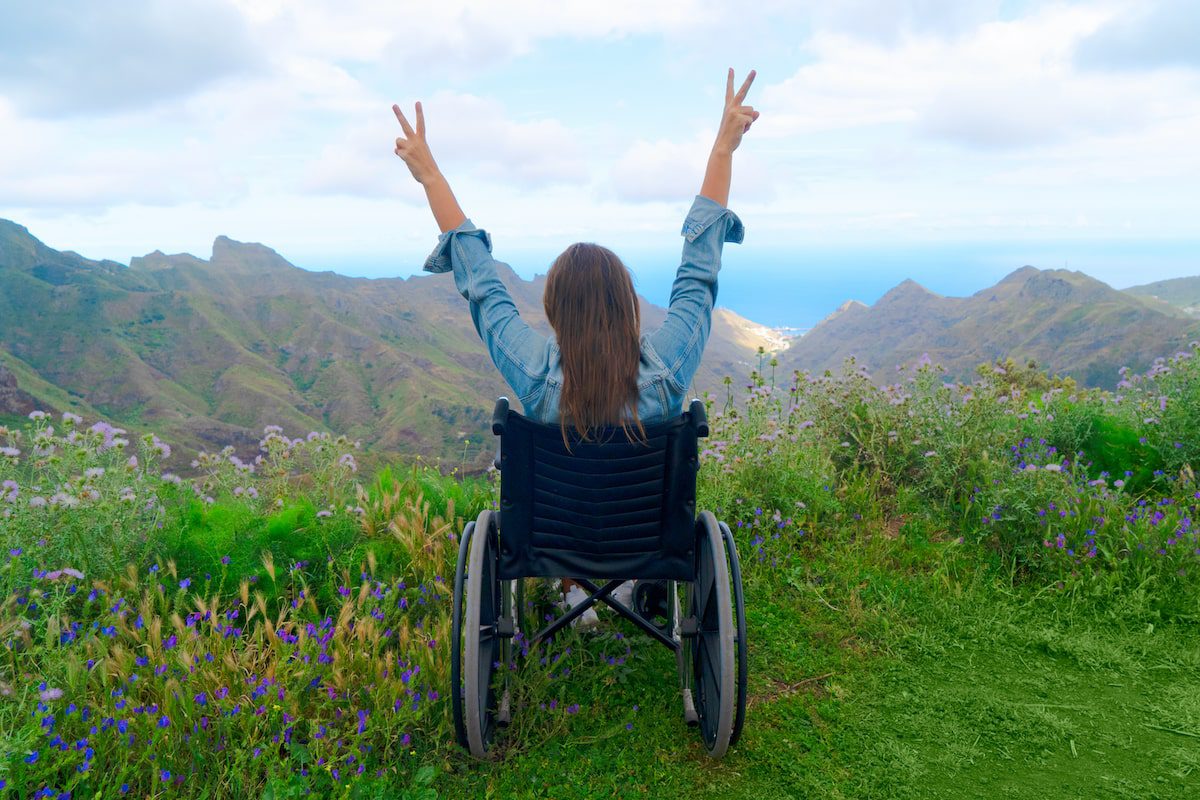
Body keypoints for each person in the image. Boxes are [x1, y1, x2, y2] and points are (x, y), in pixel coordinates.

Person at [392, 69, 759, 625]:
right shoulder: (666, 374)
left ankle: (572, 591)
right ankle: (630, 582)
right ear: (626, 302)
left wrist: (430, 176)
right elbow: (698, 277)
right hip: (646, 539)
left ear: (555, 309)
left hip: (554, 542)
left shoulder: (536, 377)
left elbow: (483, 286)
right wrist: (723, 149)